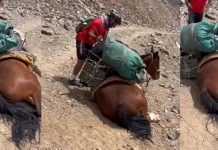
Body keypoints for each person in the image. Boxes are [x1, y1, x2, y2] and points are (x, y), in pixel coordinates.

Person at [69, 9, 122, 86]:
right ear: (112, 20)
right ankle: (72, 79)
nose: (115, 26)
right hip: (82, 39)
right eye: (115, 24)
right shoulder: (98, 22)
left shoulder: (106, 27)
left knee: (90, 60)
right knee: (81, 60)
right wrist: (97, 38)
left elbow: (103, 38)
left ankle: (83, 79)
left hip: (89, 42)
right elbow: (90, 33)